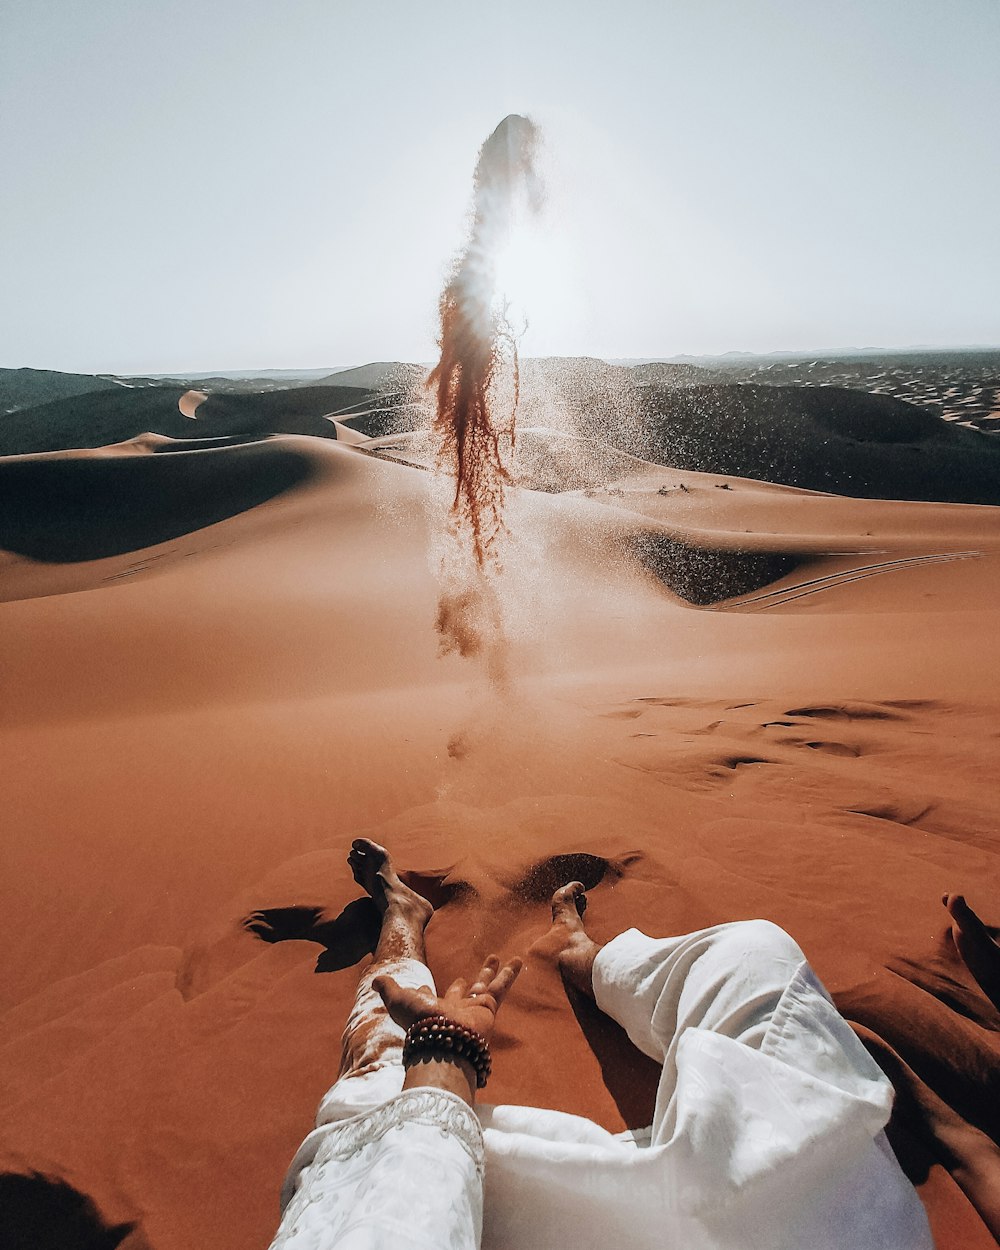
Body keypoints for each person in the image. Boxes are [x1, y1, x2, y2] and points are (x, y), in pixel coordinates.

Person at [269, 840, 932, 1250]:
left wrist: (444, 1049)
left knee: (375, 1081)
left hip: (479, 1212)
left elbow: (397, 1218)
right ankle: (585, 958)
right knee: (755, 954)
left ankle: (404, 922)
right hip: (818, 1211)